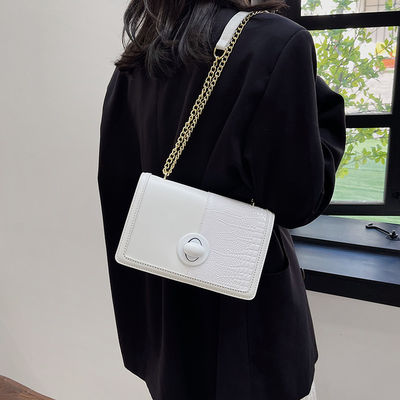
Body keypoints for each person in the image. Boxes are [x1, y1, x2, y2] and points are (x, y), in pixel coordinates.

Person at [97, 1, 346, 400]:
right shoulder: (277, 42)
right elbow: (298, 201)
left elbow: (115, 181)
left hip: (164, 318)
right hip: (245, 330)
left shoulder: (141, 55)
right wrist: (321, 114)